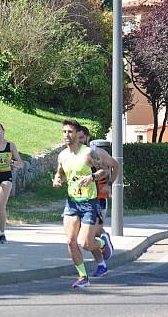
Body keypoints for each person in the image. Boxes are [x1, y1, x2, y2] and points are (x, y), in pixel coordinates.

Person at [53, 119, 113, 288]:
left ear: (77, 135)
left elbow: (104, 170)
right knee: (71, 241)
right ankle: (82, 276)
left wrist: (92, 177)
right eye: (64, 132)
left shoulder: (87, 153)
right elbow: (60, 174)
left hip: (89, 203)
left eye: (70, 132)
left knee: (85, 243)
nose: (67, 135)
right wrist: (57, 180)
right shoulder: (62, 155)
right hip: (71, 203)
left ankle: (101, 243)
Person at [77, 125, 120, 277]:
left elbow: (115, 166)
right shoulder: (73, 155)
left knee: (91, 234)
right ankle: (101, 264)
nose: (79, 140)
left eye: (81, 137)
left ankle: (103, 239)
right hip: (80, 200)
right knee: (87, 237)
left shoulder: (98, 153)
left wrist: (109, 185)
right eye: (77, 137)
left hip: (98, 198)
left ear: (87, 138)